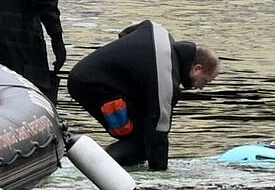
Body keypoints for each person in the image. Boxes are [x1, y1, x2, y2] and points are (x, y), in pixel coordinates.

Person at [66, 20, 219, 171]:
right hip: (93, 86)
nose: (201, 87)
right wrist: (160, 177)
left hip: (86, 73)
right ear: (197, 69)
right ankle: (96, 169)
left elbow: (126, 33)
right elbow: (158, 133)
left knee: (142, 131)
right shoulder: (165, 80)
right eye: (205, 81)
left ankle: (109, 164)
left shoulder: (160, 33)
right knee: (140, 141)